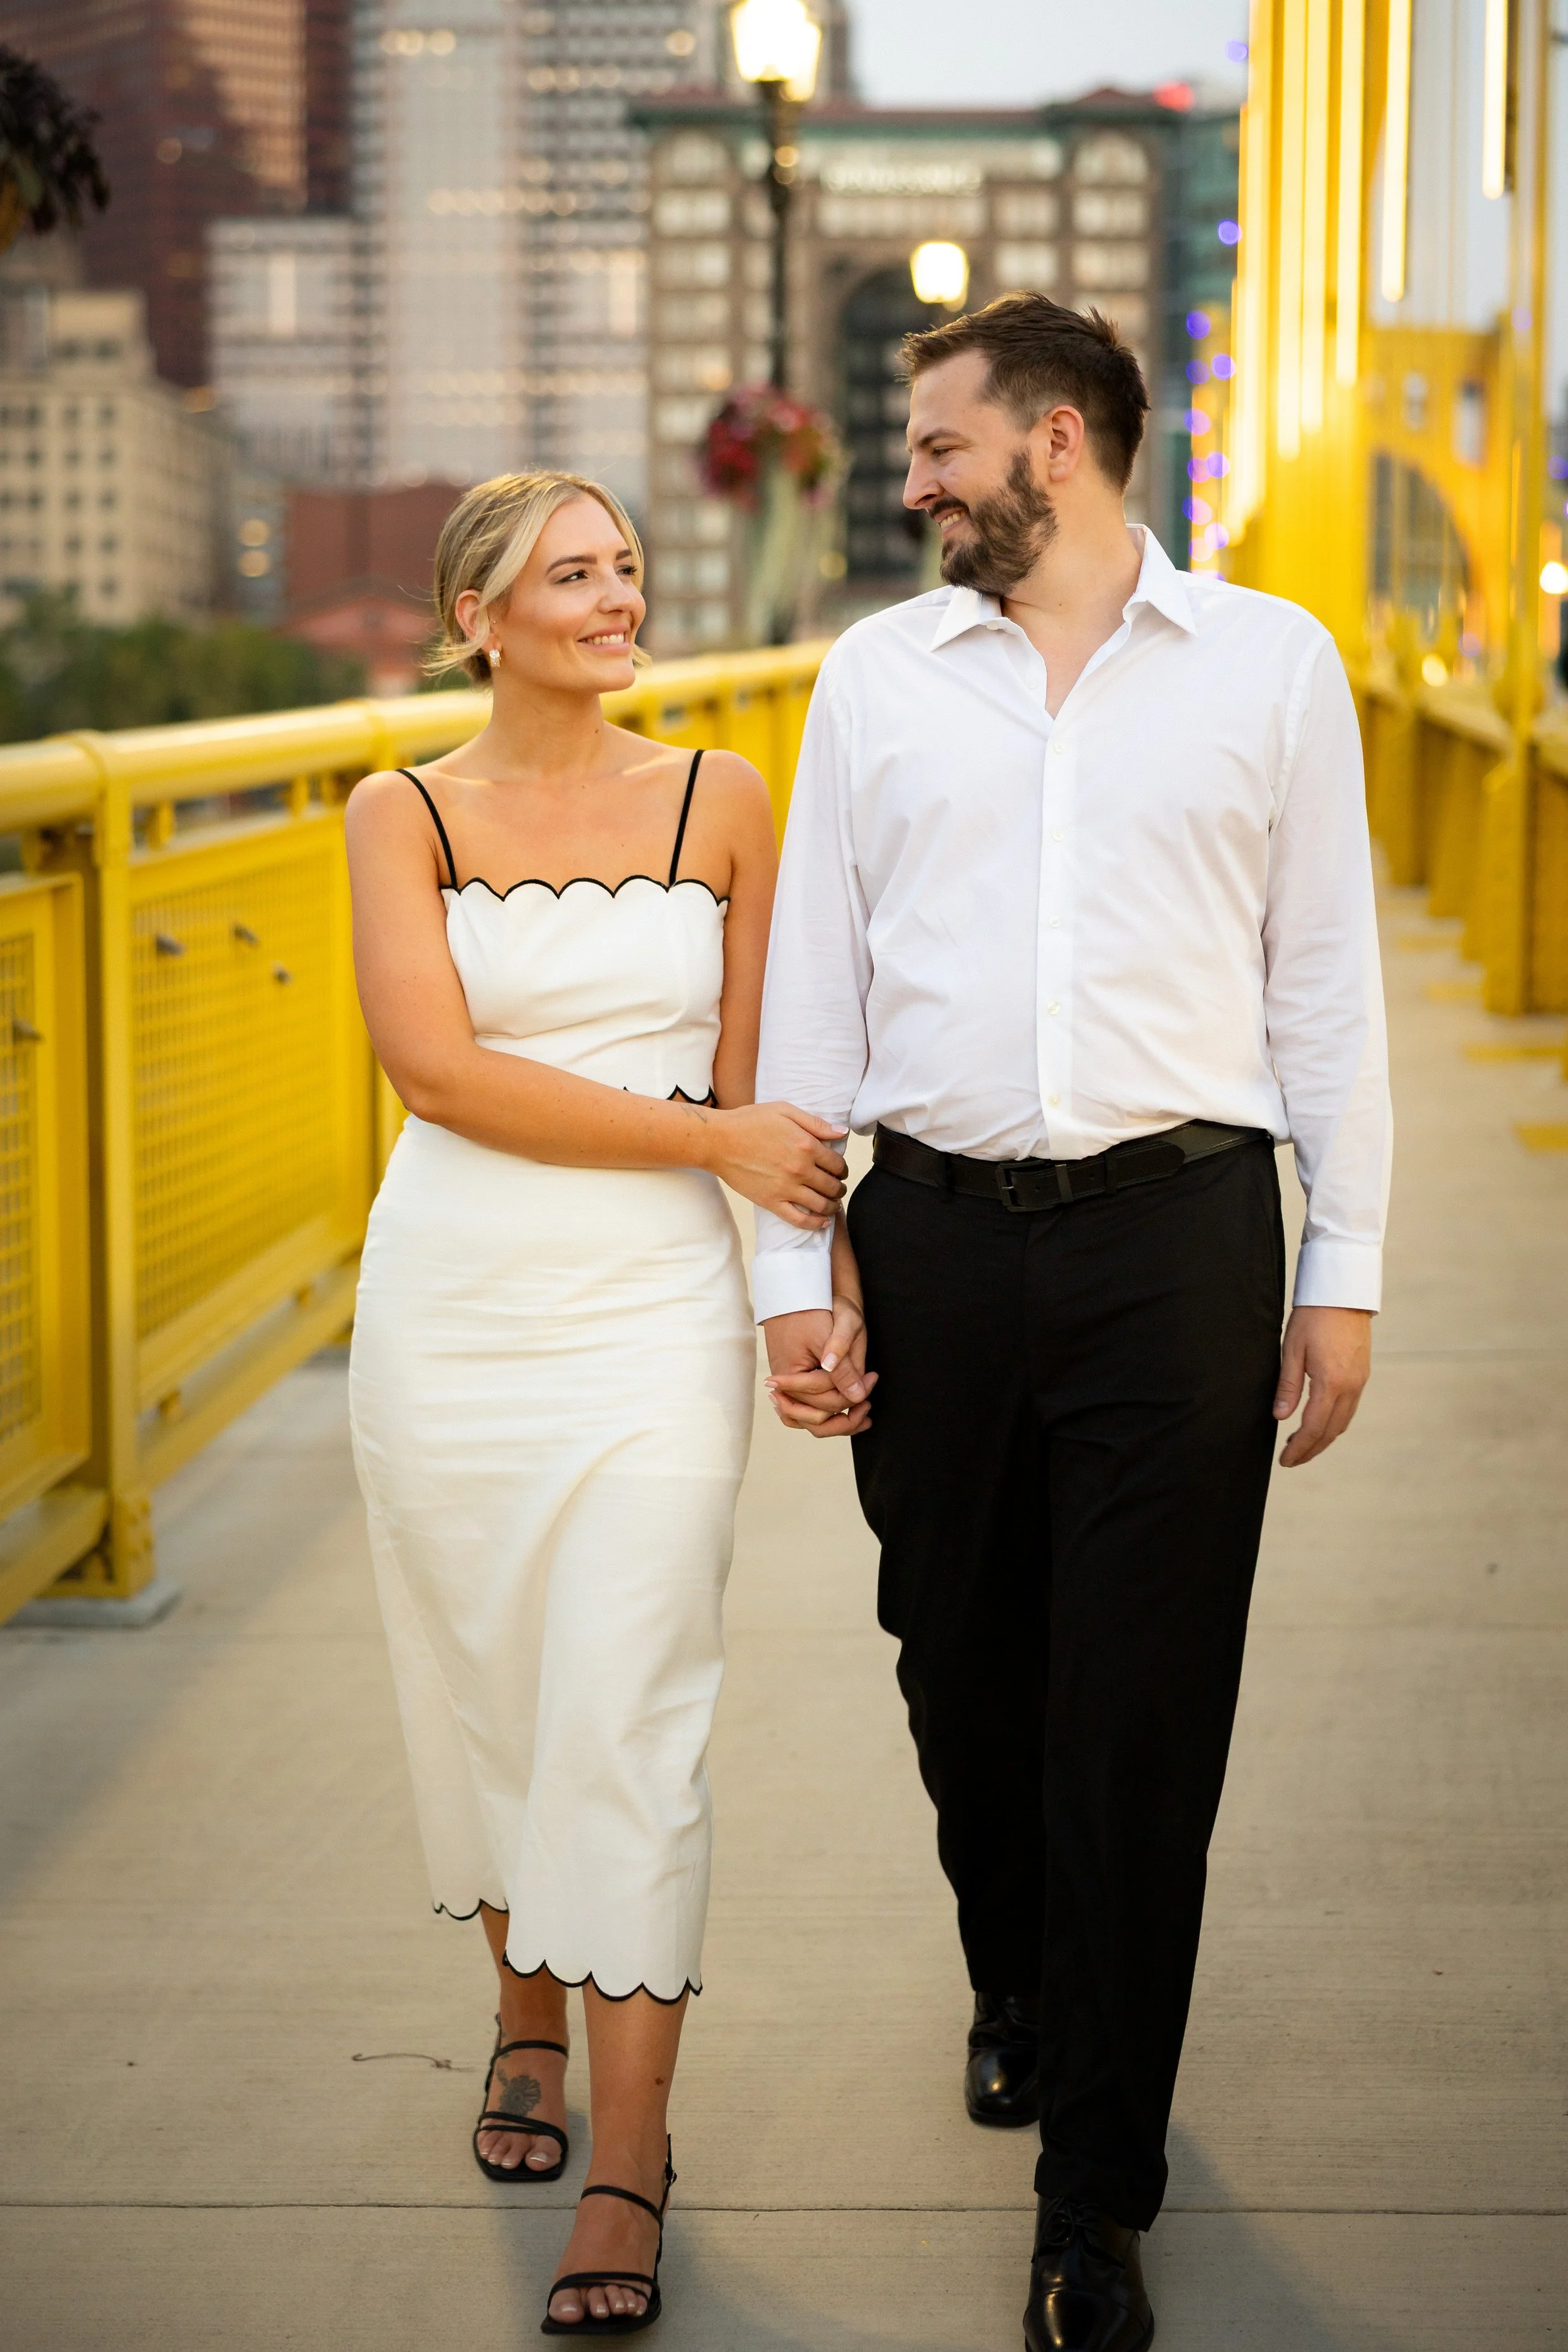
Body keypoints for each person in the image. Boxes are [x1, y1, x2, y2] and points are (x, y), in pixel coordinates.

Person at [755, 295, 1390, 2352]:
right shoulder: (874, 677)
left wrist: (1341, 1267)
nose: (908, 479)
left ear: (1051, 442)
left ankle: (1089, 2198)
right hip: (931, 1239)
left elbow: (1325, 990)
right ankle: (1013, 1969)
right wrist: (798, 1270)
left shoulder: (1271, 670)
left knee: (1140, 1715)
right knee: (960, 1662)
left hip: (1178, 1241)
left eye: (935, 447)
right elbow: (815, 1005)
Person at [344, 471, 845, 2338]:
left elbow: (765, 1089)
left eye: (625, 564)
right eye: (571, 574)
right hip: (450, 1311)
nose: (614, 596)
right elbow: (438, 1073)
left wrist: (809, 1303)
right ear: (477, 614)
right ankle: (522, 2020)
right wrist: (712, 1134)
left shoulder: (725, 797)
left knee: (630, 1704)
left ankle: (627, 2152)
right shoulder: (394, 813)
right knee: (488, 1676)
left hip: (649, 1317)